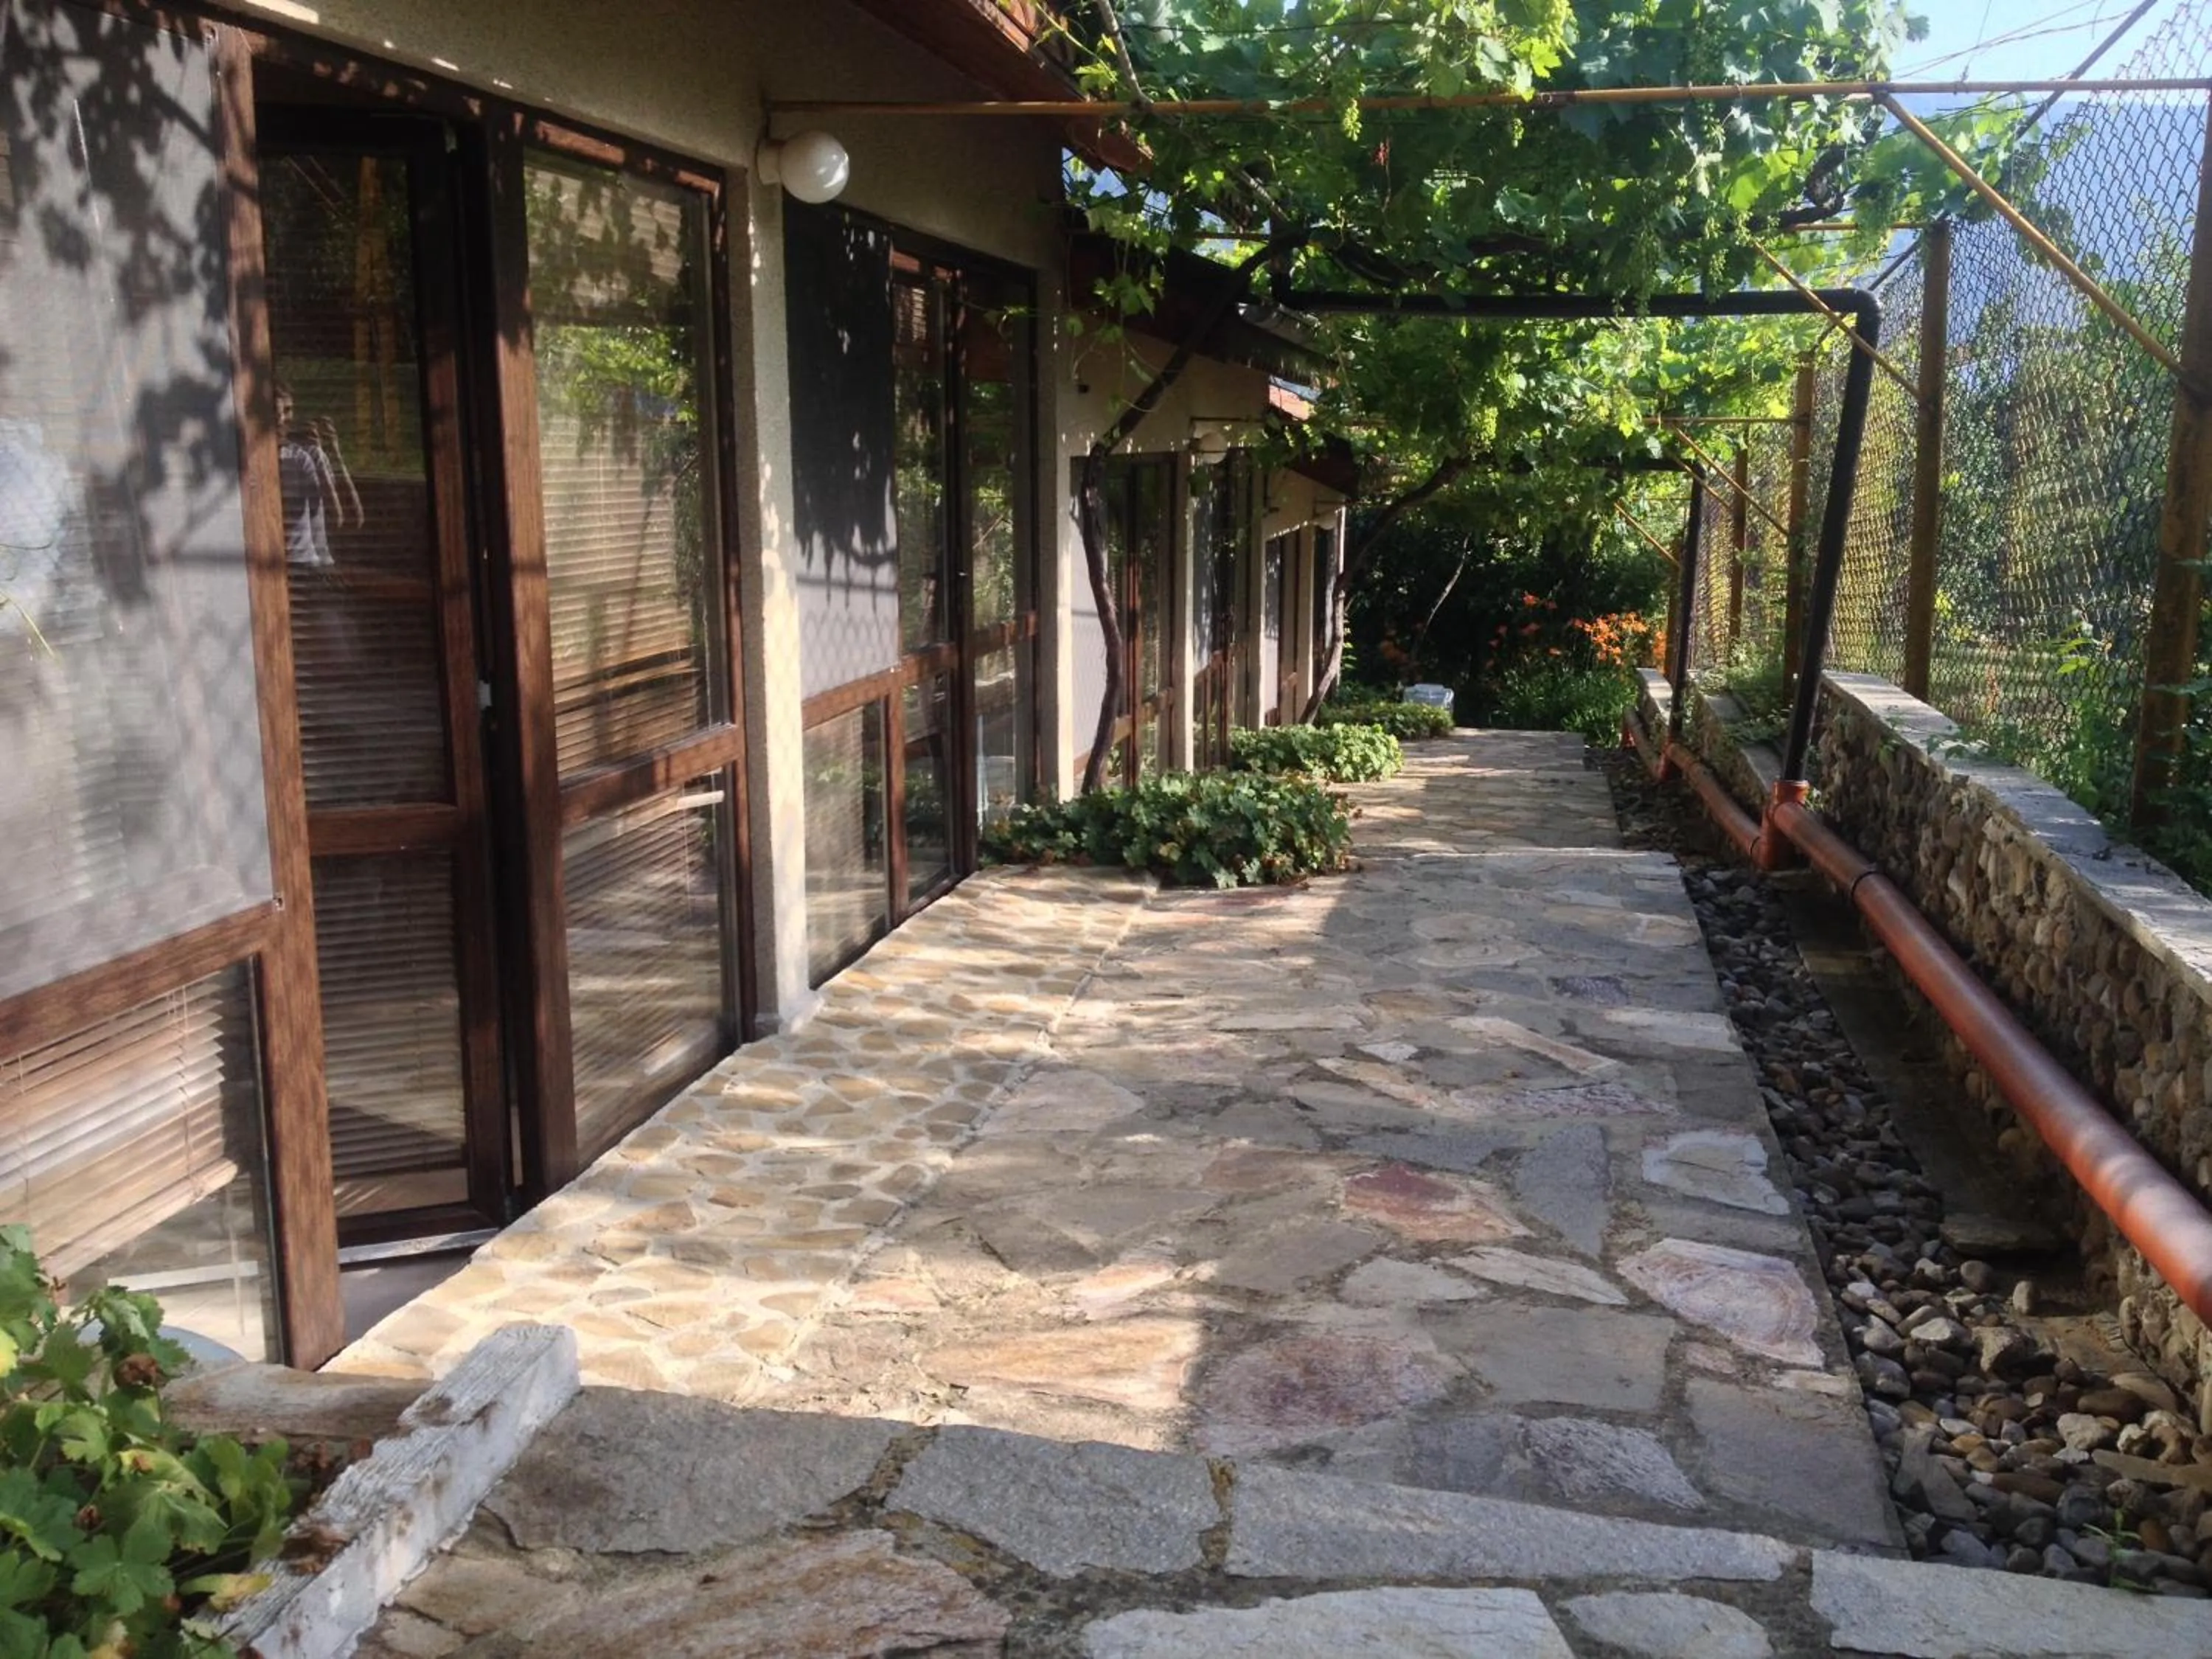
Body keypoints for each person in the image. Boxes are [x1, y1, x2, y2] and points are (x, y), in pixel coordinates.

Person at [274, 382, 362, 566]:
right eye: (276, 412)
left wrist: (332, 453)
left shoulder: (303, 455)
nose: (282, 419)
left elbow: (347, 518)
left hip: (309, 565)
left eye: (288, 410)